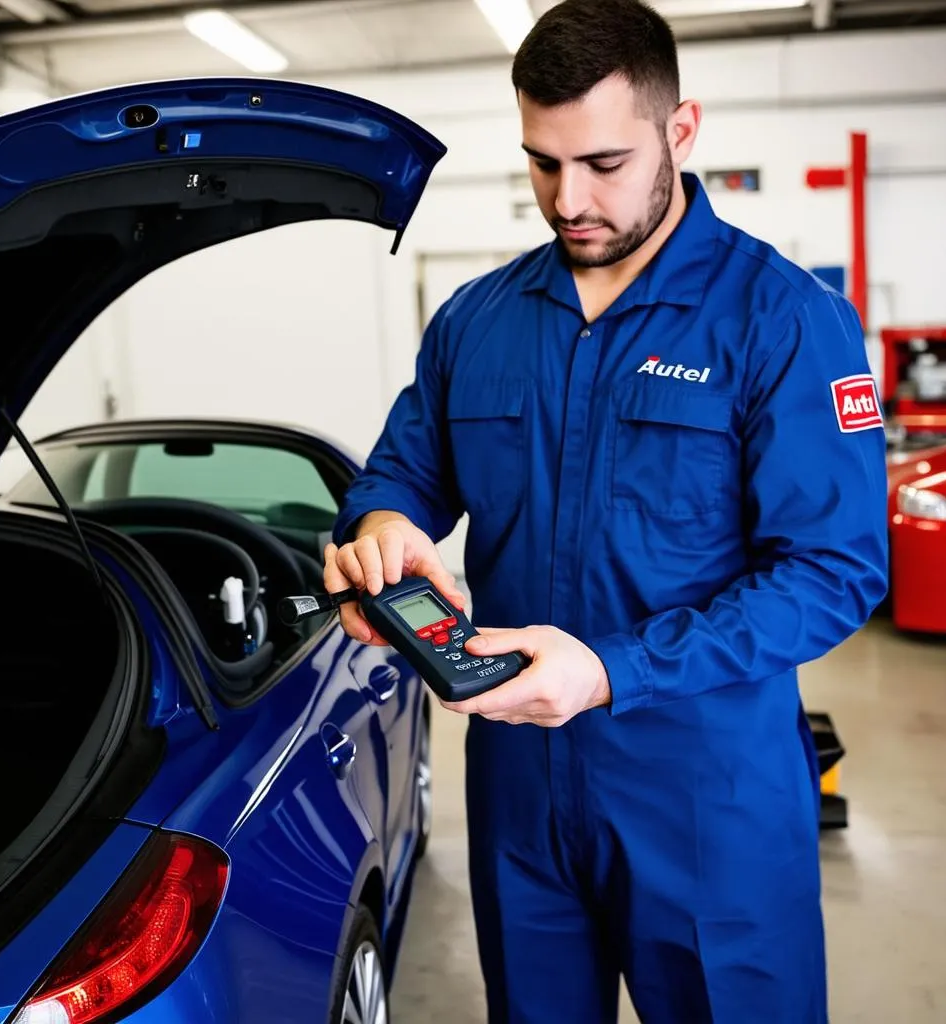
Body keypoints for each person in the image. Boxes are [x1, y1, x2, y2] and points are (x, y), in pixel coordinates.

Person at [325, 0, 888, 1020]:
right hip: (520, 797)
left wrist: (610, 670)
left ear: (681, 131)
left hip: (706, 802)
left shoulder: (785, 320)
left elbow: (833, 574)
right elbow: (401, 475)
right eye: (542, 163)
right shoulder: (476, 320)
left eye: (602, 163)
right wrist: (377, 530)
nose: (567, 198)